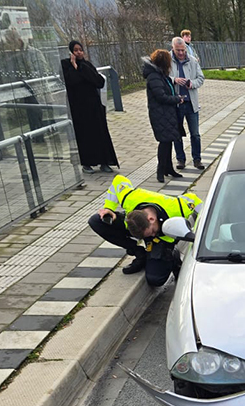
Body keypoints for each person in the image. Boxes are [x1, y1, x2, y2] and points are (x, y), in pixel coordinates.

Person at [88, 175, 201, 285]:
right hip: (136, 221)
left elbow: (194, 200)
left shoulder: (178, 207)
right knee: (96, 221)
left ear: (151, 219)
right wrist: (108, 208)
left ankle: (173, 257)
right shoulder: (130, 197)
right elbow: (118, 180)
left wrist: (198, 230)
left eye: (150, 233)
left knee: (155, 279)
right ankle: (139, 253)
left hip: (163, 238)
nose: (148, 237)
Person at [61, 40, 118, 174]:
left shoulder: (87, 65)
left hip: (93, 105)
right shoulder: (65, 65)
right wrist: (74, 66)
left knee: (100, 132)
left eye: (80, 50)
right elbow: (72, 81)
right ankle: (87, 163)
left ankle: (104, 162)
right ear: (71, 52)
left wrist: (80, 69)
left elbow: (99, 81)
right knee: (85, 135)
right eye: (76, 50)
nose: (79, 52)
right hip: (79, 107)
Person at [142, 49, 186, 182]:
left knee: (169, 141)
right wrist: (177, 99)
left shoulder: (160, 75)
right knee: (164, 142)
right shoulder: (154, 76)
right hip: (160, 114)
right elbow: (161, 96)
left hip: (167, 113)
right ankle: (160, 170)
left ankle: (168, 168)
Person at [170, 37, 205, 170]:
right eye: (178, 50)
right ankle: (180, 159)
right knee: (177, 134)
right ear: (173, 48)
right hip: (176, 103)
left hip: (191, 103)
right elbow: (162, 77)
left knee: (195, 133)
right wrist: (174, 80)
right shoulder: (168, 60)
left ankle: (197, 159)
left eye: (183, 50)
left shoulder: (192, 60)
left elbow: (201, 78)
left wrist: (192, 83)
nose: (180, 53)